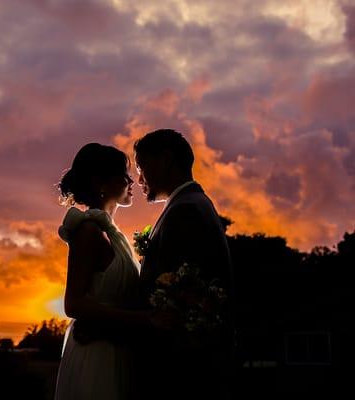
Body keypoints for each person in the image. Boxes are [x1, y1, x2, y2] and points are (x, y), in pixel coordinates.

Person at [133, 129, 235, 399]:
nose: (139, 178)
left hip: (181, 373)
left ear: (166, 159)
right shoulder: (190, 204)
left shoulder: (185, 211)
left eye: (142, 167)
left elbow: (175, 307)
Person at [53, 143, 144, 400]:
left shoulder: (112, 234)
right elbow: (73, 303)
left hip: (118, 349)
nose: (131, 181)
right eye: (123, 174)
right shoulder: (88, 232)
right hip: (97, 355)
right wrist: (144, 320)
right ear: (99, 182)